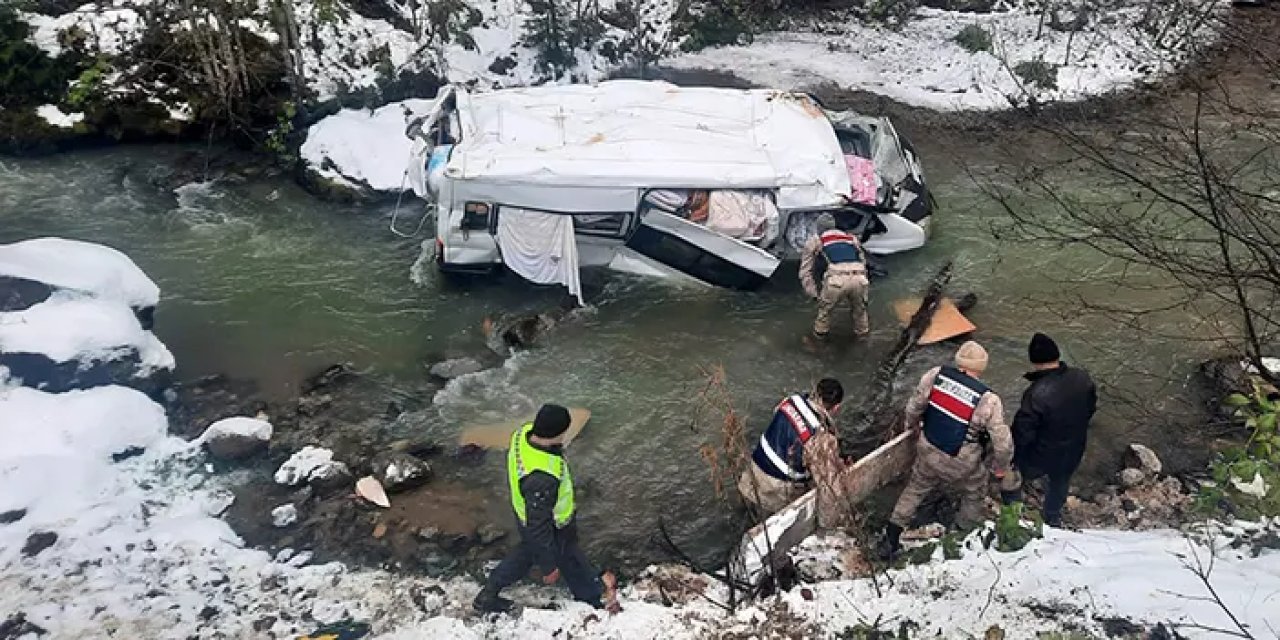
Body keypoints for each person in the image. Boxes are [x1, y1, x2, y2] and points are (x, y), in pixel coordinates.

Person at [879, 341, 1013, 559]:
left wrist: (910, 426)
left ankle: (891, 538)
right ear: (981, 367)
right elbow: (1002, 441)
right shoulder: (989, 400)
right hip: (962, 460)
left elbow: (914, 406)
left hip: (929, 448)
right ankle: (960, 536)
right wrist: (1001, 467)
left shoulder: (936, 375)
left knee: (916, 488)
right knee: (974, 492)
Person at [474, 404, 608, 613]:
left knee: (528, 552)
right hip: (552, 524)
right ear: (558, 433)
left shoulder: (523, 434)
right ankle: (592, 601)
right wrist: (548, 566)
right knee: (568, 557)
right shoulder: (542, 477)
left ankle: (490, 591)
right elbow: (539, 525)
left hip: (523, 512)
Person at [999, 333, 1098, 528]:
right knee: (1060, 481)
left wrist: (1013, 458)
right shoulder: (1082, 378)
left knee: (1013, 479)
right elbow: (1091, 408)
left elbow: (1023, 432)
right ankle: (1052, 517)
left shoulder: (1036, 393)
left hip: (1042, 454)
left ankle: (1014, 513)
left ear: (1034, 362)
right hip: (1074, 447)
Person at [737, 378, 844, 515]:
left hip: (750, 477)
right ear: (836, 408)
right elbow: (828, 487)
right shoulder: (820, 437)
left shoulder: (791, 400)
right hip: (773, 495)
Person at [799, 213, 870, 339]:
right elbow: (863, 262)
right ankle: (863, 341)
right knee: (860, 314)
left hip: (836, 281)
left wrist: (814, 294)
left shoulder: (816, 240)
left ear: (819, 228)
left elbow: (805, 272)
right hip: (860, 278)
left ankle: (819, 346)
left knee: (824, 315)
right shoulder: (851, 238)